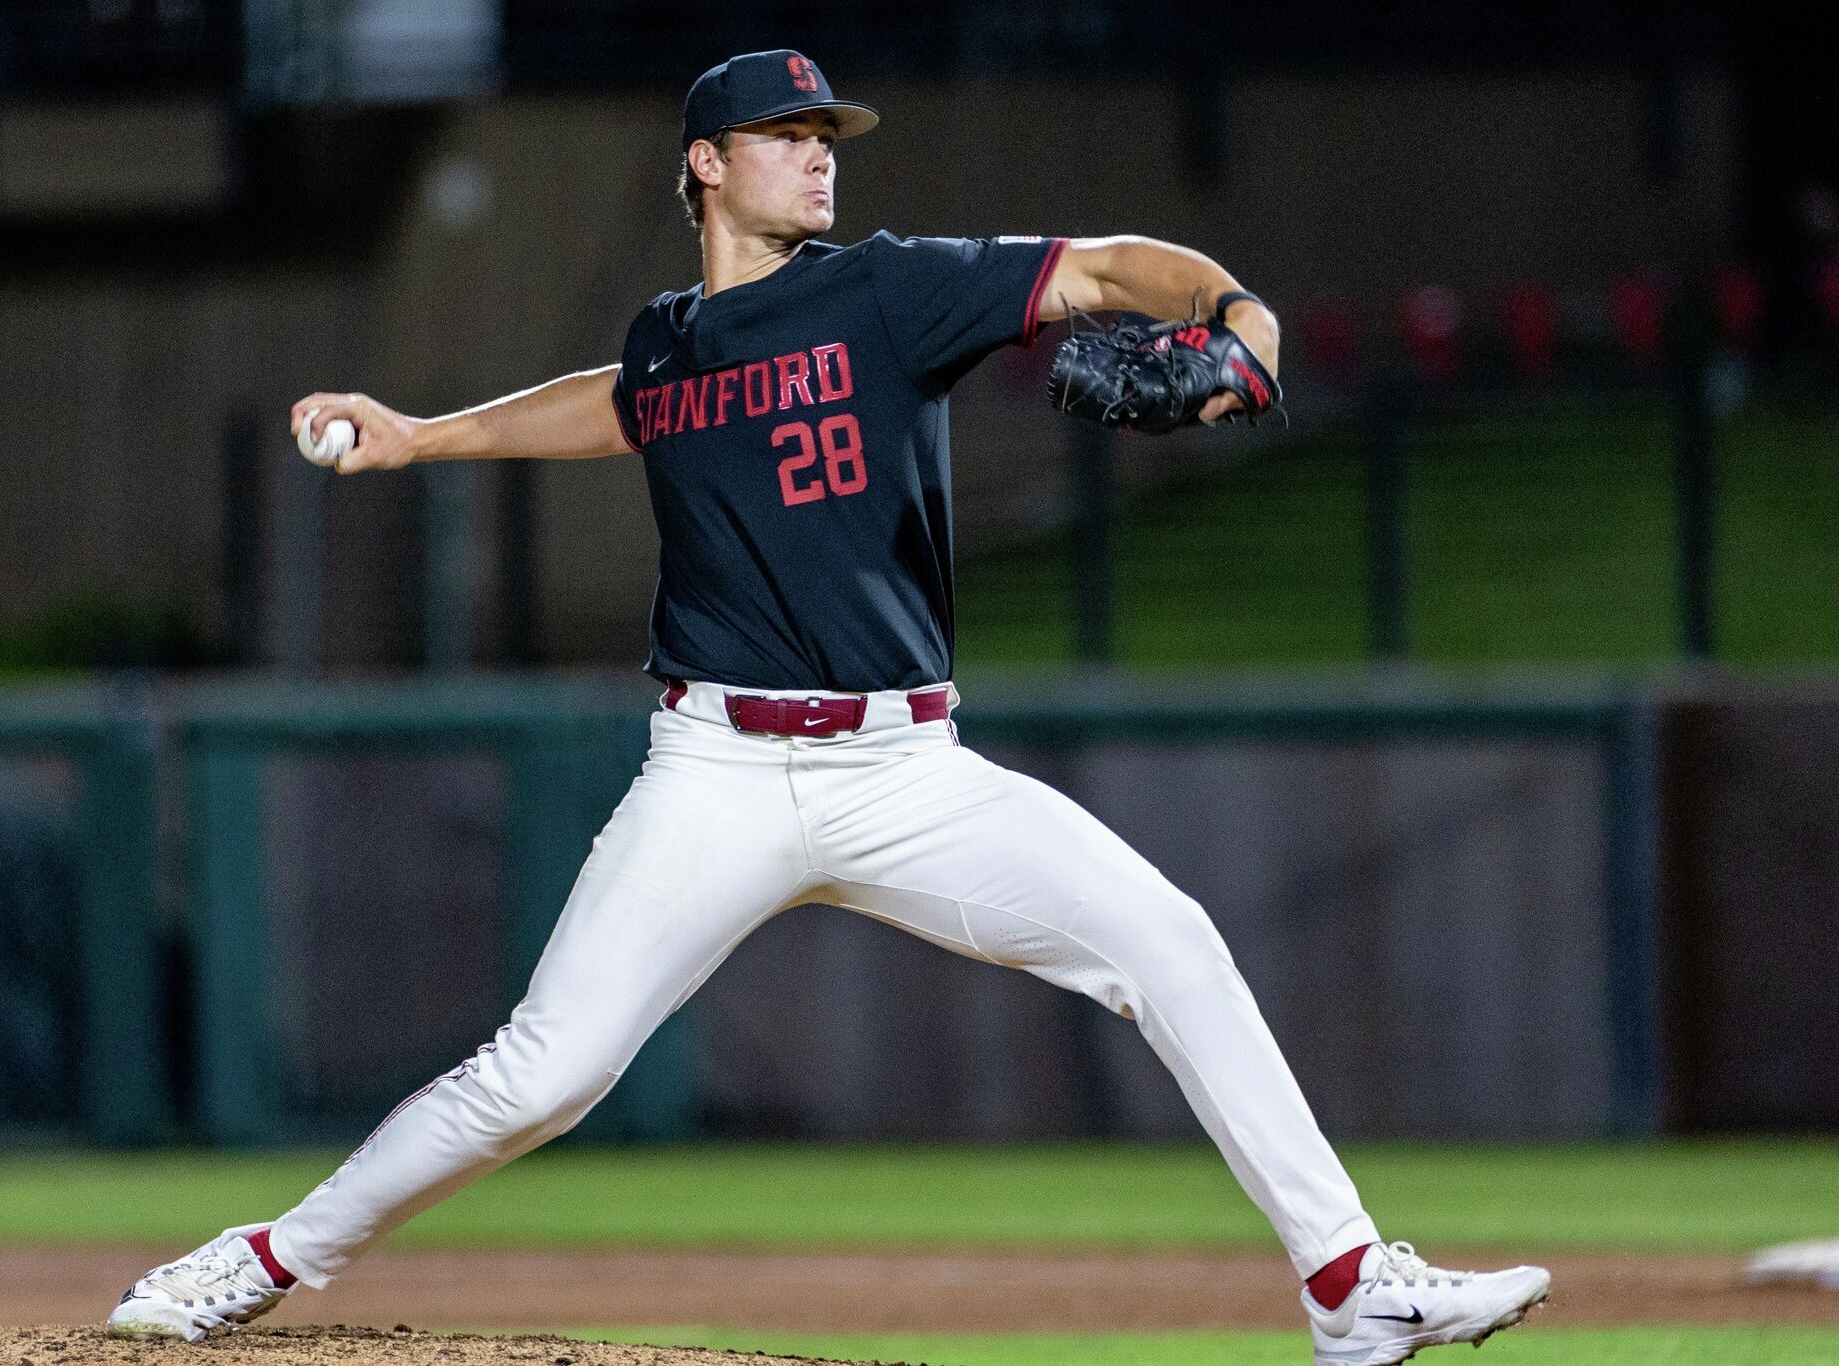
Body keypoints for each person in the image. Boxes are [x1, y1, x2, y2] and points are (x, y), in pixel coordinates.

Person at [106, 50, 1550, 1366]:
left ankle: (1349, 1284)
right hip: (714, 771)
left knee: (1167, 940)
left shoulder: (891, 290)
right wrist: (424, 436)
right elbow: (623, 401)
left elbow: (1110, 270)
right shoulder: (671, 341)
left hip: (908, 768)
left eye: (826, 133)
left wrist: (1241, 316)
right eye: (784, 133)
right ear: (705, 167)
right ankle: (264, 1257)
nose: (819, 153)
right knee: (542, 1075)